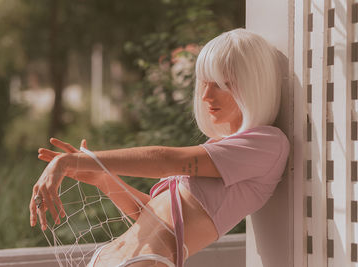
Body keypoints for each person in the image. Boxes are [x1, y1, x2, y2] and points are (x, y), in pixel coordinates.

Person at [29, 28, 290, 267]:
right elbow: (150, 215)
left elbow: (165, 160)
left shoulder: (268, 145)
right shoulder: (221, 148)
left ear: (253, 85)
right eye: (205, 83)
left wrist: (75, 162)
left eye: (221, 84)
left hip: (144, 261)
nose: (205, 96)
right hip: (110, 257)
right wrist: (102, 179)